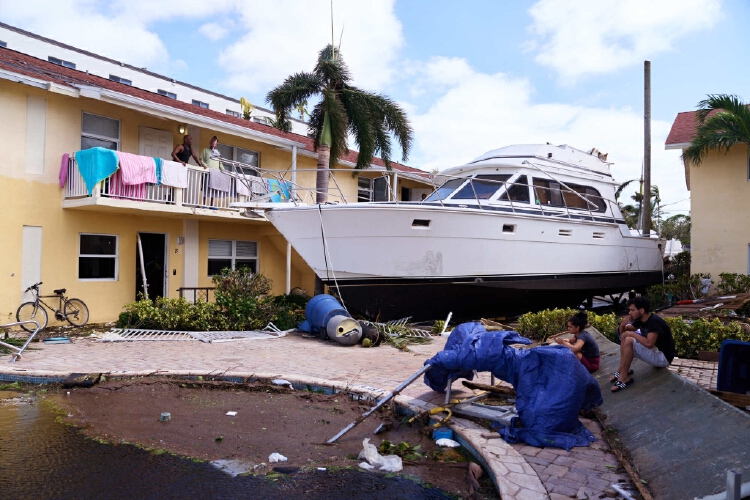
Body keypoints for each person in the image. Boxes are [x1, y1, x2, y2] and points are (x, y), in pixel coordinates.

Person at [610, 296, 676, 393]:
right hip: (655, 351)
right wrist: (623, 324)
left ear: (641, 310)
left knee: (629, 340)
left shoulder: (654, 321)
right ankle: (622, 369)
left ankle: (624, 378)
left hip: (663, 358)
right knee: (625, 337)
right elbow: (623, 334)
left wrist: (632, 334)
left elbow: (649, 343)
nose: (630, 313)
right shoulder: (641, 320)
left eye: (632, 310)